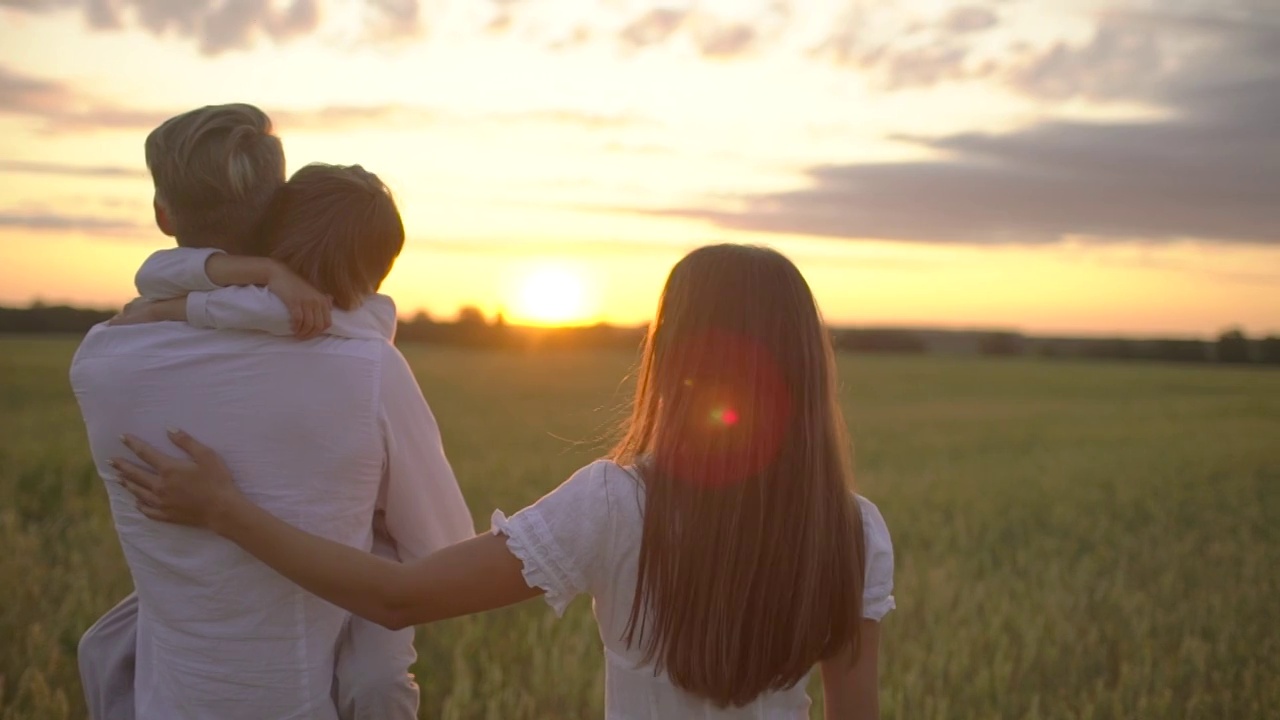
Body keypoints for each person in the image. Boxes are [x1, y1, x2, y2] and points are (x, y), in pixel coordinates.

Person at [113, 244, 896, 719]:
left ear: (679, 357)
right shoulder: (854, 531)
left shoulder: (618, 505)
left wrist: (224, 509)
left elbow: (400, 597)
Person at [72, 104, 473, 720]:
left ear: (162, 215)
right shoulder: (366, 366)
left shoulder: (100, 363)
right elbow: (447, 554)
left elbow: (158, 285)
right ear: (278, 206)